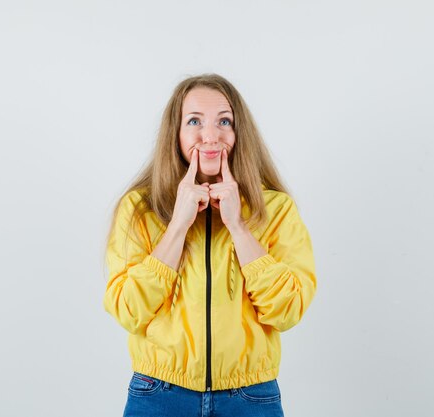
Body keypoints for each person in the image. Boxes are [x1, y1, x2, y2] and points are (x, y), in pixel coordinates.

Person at [102, 73, 317, 417]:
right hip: (158, 394)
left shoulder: (276, 210)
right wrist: (177, 226)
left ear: (238, 132)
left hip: (250, 397)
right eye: (194, 121)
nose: (211, 135)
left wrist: (238, 226)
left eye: (224, 121)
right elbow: (128, 310)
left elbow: (287, 309)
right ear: (176, 134)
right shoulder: (138, 209)